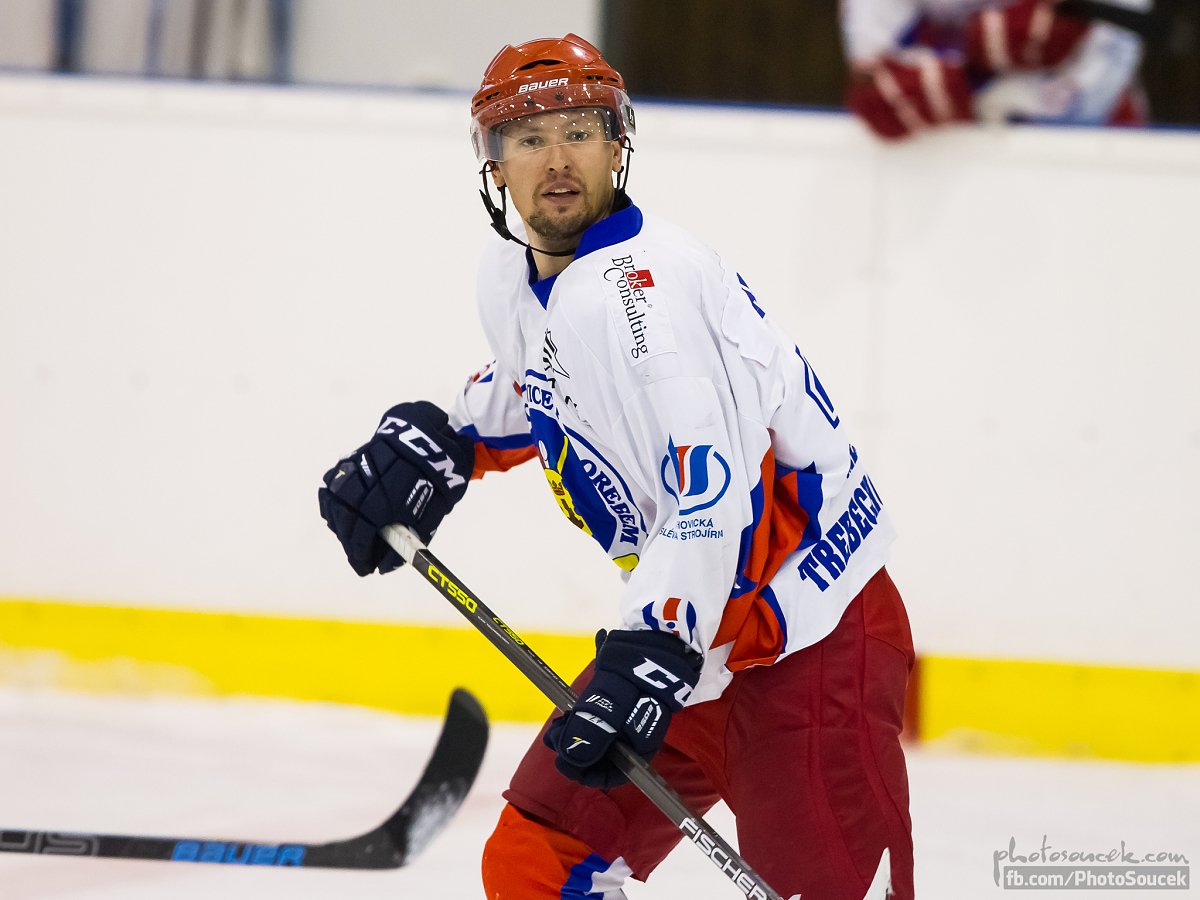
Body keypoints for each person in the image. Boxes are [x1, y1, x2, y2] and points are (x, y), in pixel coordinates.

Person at [318, 33, 915, 900]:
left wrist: (654, 650)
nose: (556, 160)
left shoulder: (644, 299)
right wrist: (446, 438)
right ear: (494, 164)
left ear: (618, 145)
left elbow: (714, 496)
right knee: (536, 864)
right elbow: (549, 383)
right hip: (695, 640)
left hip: (808, 640)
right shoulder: (518, 275)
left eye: (580, 133)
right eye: (529, 138)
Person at [841, 0, 1150, 139]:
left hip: (1097, 163)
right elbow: (877, 80)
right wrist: (971, 66)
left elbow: (1094, 98)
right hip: (943, 161)